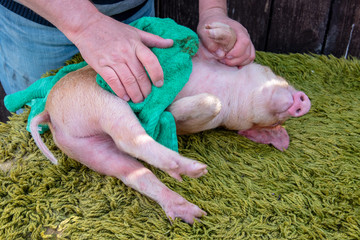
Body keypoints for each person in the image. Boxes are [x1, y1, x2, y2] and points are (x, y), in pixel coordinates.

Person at [0, 0, 255, 103]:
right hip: (39, 24)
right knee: (51, 121)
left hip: (136, 16)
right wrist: (86, 24)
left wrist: (213, 11)